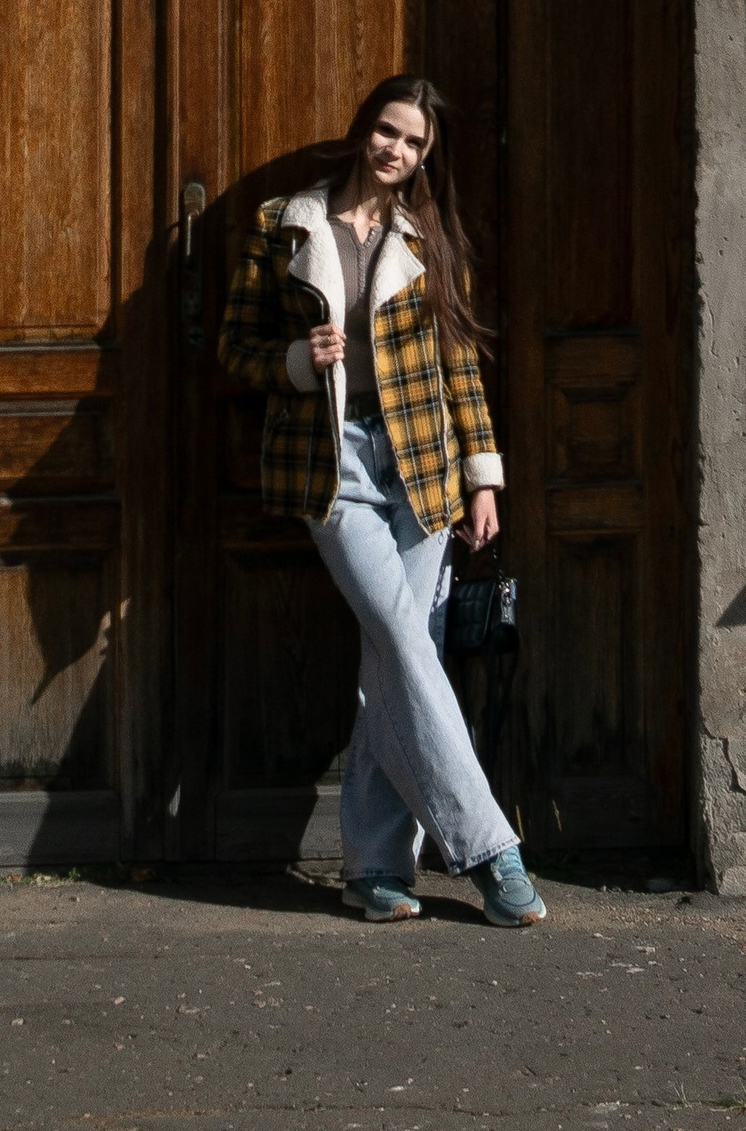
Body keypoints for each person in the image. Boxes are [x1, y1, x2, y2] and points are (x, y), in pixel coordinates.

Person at [218, 72, 547, 927]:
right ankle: (490, 850)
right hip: (333, 469)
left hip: (423, 466)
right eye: (388, 132)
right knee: (405, 640)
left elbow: (459, 363)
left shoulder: (425, 235)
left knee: (393, 665)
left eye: (413, 144)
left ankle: (371, 871)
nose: (395, 152)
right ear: (364, 127)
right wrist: (296, 358)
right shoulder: (283, 223)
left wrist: (483, 474)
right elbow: (232, 347)